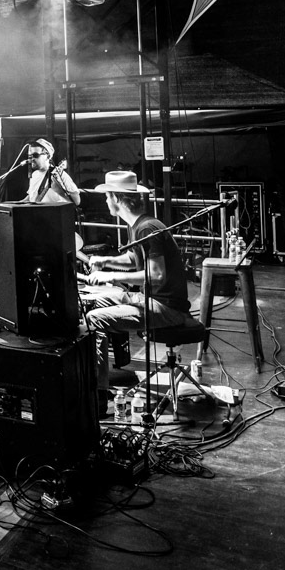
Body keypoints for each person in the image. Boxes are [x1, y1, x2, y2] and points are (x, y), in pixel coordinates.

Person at [81, 171, 192, 407]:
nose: (106, 201)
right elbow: (135, 259)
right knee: (95, 302)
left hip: (167, 307)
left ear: (116, 198)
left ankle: (98, 395)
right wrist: (105, 261)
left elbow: (156, 275)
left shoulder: (146, 228)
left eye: (107, 197)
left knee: (93, 319)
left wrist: (110, 275)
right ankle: (97, 379)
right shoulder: (139, 224)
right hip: (151, 298)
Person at [25, 140, 82, 206]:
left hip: (54, 212)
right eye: (29, 156)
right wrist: (18, 203)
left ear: (48, 156)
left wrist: (60, 191)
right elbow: (32, 197)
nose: (31, 159)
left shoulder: (60, 175)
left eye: (35, 155)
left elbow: (77, 201)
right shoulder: (34, 175)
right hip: (37, 212)